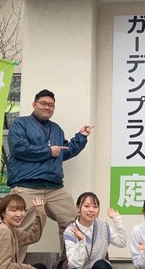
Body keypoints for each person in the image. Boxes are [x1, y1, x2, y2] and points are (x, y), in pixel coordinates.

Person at [7, 89, 93, 259]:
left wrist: (81, 137)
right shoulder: (20, 123)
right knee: (21, 226)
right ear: (34, 104)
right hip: (27, 186)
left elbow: (63, 152)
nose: (47, 107)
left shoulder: (56, 129)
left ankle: (70, 263)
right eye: (43, 103)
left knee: (73, 222)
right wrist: (48, 151)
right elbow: (18, 148)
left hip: (54, 187)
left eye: (51, 105)